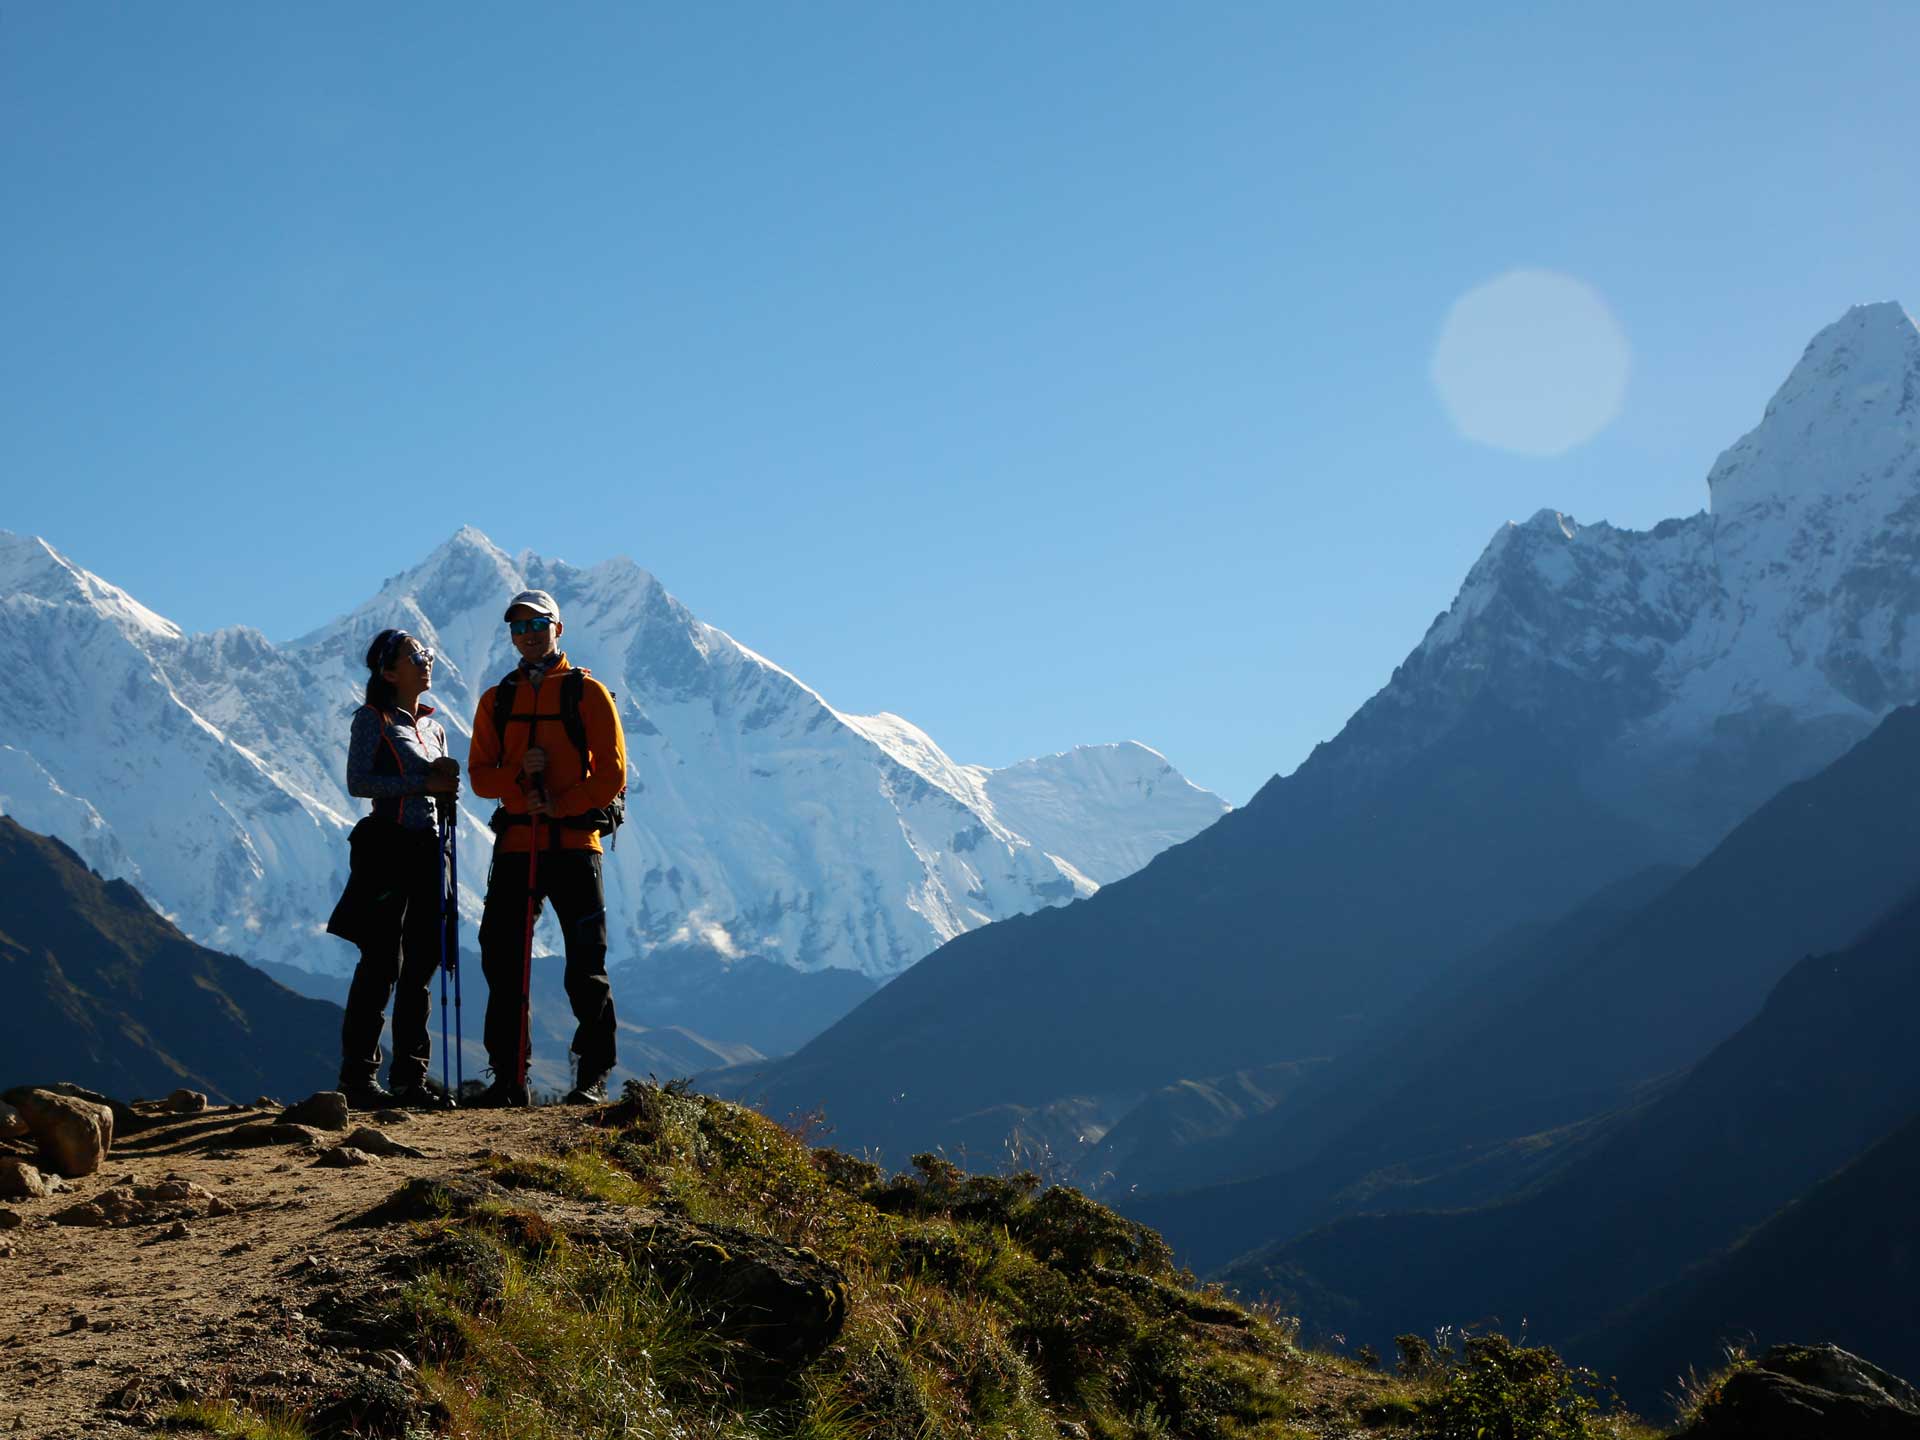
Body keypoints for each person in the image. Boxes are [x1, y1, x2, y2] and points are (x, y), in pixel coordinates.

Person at [468, 589, 627, 1106]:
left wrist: (561, 804)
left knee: (585, 964)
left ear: (559, 628)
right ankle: (509, 1076)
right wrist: (519, 775)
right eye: (518, 627)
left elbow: (613, 775)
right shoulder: (498, 699)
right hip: (518, 844)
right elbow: (479, 777)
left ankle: (591, 1077)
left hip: (576, 843)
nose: (529, 634)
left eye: (538, 624)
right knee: (503, 960)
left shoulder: (588, 693)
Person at [325, 628, 461, 1110]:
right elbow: (358, 782)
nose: (426, 659)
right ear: (388, 672)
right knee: (383, 961)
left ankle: (410, 1077)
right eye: (414, 655)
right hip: (386, 847)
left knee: (421, 961)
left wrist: (444, 788)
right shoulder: (372, 720)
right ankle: (359, 1076)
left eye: (425, 652)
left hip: (427, 848)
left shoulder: (433, 726)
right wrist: (425, 781)